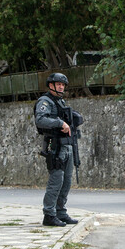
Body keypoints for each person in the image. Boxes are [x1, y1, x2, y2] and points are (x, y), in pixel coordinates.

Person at [34, 72, 83, 226]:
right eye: (58, 84)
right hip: (55, 147)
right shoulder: (45, 101)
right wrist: (59, 123)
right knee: (56, 181)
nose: (61, 87)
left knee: (66, 182)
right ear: (51, 85)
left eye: (63, 84)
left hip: (67, 146)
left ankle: (60, 212)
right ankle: (49, 214)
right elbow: (40, 120)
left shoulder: (60, 101)